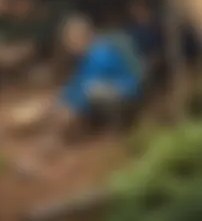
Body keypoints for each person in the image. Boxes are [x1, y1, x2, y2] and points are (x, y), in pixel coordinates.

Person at [41, 13, 144, 147]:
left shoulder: (101, 53)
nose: (69, 46)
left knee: (92, 91)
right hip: (111, 91)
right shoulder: (87, 54)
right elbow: (77, 82)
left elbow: (85, 89)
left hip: (128, 95)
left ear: (84, 36)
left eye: (71, 40)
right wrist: (59, 101)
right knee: (84, 95)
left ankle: (121, 125)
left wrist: (68, 109)